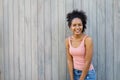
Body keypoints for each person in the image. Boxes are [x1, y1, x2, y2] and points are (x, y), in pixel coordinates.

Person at [65, 10, 96, 80]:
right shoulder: (67, 41)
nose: (77, 28)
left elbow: (88, 61)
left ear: (83, 25)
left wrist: (81, 78)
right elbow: (69, 60)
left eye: (79, 25)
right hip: (75, 73)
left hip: (88, 74)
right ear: (70, 26)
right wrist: (72, 78)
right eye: (74, 25)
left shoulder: (88, 40)